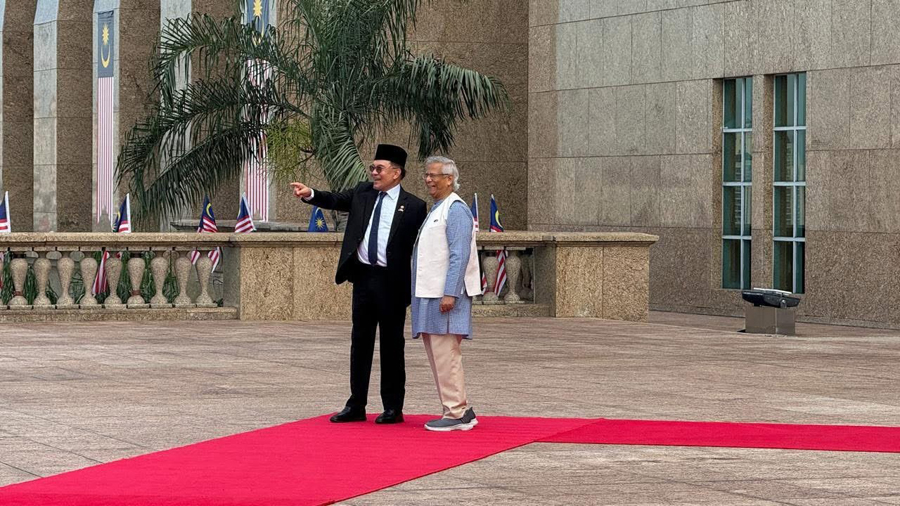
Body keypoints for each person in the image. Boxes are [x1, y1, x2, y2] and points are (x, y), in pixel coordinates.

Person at [290, 144, 427, 424]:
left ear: (396, 173)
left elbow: (423, 246)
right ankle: (356, 405)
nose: (374, 173)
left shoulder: (414, 206)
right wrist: (310, 194)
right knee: (360, 343)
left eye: (380, 168)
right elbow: (335, 199)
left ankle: (392, 407)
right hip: (363, 278)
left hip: (392, 283)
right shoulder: (363, 194)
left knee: (391, 345)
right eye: (373, 168)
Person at [412, 156, 482, 431]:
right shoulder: (439, 208)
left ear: (449, 178)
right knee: (439, 354)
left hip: (445, 296)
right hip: (430, 293)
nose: (428, 179)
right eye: (426, 175)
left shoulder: (456, 209)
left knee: (446, 354)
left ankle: (456, 413)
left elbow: (459, 254)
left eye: (434, 175)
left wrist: (450, 293)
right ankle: (458, 408)